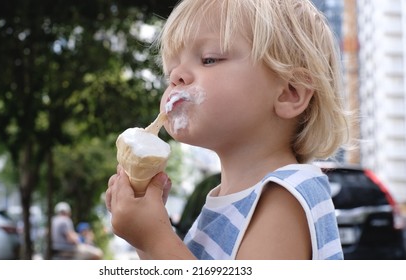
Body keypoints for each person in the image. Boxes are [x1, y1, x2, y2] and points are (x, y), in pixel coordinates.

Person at [106, 0, 351, 260]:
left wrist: (154, 239)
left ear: (290, 93)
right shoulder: (225, 200)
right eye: (170, 73)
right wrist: (143, 235)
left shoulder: (286, 195)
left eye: (209, 59)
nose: (177, 76)